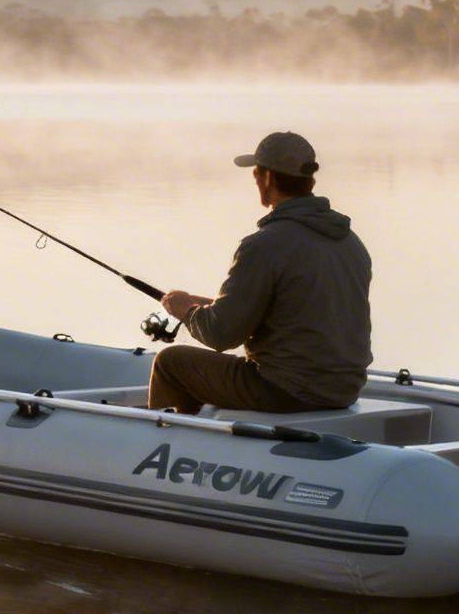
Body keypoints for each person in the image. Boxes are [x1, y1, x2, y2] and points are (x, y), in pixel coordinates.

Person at [150, 131, 372, 414]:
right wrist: (204, 303)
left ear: (267, 178)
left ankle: (169, 448)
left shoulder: (264, 245)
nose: (255, 179)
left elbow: (221, 335)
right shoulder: (350, 242)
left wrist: (185, 310)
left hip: (285, 390)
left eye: (256, 172)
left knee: (171, 363)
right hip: (343, 390)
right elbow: (293, 313)